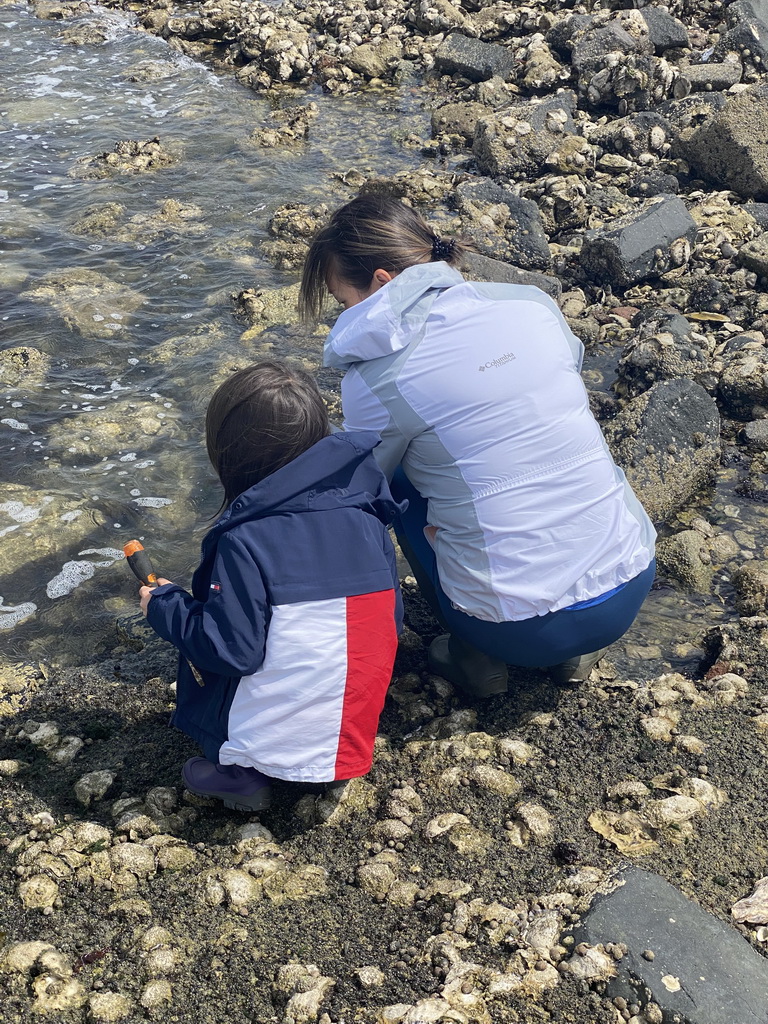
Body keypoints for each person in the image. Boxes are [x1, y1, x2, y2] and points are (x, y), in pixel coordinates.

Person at [299, 194, 656, 698]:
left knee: (396, 482)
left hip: (513, 628)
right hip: (631, 582)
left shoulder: (378, 378)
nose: (342, 315)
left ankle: (477, 654)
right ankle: (574, 655)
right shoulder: (532, 304)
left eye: (342, 301)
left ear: (382, 282)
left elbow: (365, 486)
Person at [138, 361, 404, 811]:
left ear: (230, 454)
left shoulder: (245, 541)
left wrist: (165, 605)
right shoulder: (368, 521)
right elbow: (391, 621)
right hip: (351, 738)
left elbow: (231, 651)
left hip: (280, 749)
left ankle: (241, 771)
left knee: (214, 646)